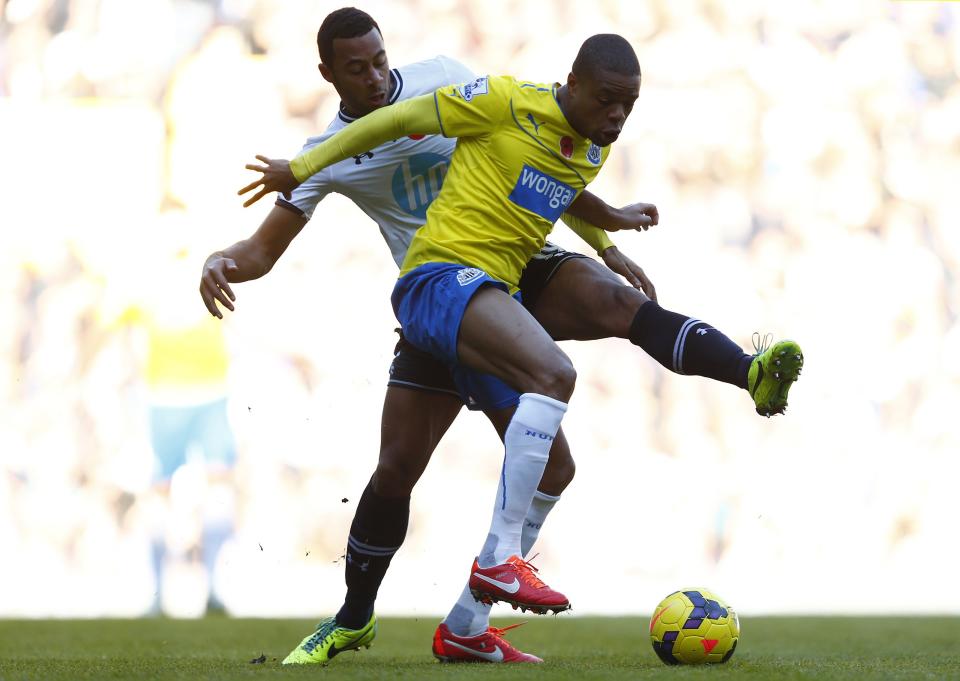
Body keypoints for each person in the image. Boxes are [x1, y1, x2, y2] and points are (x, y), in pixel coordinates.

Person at [208, 9, 803, 665]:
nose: (375, 75)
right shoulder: (334, 152)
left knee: (585, 390)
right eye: (357, 68)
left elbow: (546, 164)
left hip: (514, 273)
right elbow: (264, 247)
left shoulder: (452, 81)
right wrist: (226, 257)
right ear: (327, 74)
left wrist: (605, 239)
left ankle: (469, 616)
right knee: (398, 468)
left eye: (379, 59)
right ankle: (358, 615)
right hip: (442, 289)